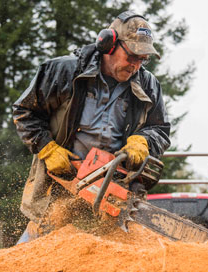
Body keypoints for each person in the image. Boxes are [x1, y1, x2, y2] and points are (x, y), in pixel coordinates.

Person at [12, 11, 170, 243]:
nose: (136, 65)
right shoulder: (65, 71)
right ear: (108, 44)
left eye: (142, 59)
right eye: (132, 56)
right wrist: (47, 148)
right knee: (40, 240)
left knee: (104, 255)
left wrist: (143, 140)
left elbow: (160, 129)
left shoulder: (148, 85)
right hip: (64, 177)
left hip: (113, 185)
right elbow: (25, 111)